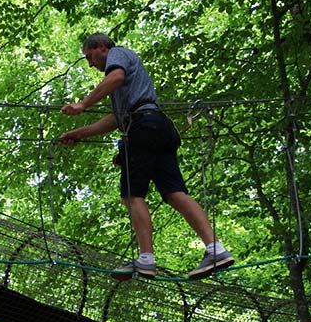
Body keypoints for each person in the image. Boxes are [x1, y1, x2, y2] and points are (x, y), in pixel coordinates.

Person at [59, 33, 234, 280]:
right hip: (158, 127)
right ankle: (216, 249)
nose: (90, 64)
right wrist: (79, 134)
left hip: (143, 128)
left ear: (101, 47)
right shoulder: (125, 90)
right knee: (174, 193)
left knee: (131, 195)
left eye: (89, 57)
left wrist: (82, 104)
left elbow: (116, 77)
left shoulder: (117, 55)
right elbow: (115, 120)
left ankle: (145, 259)